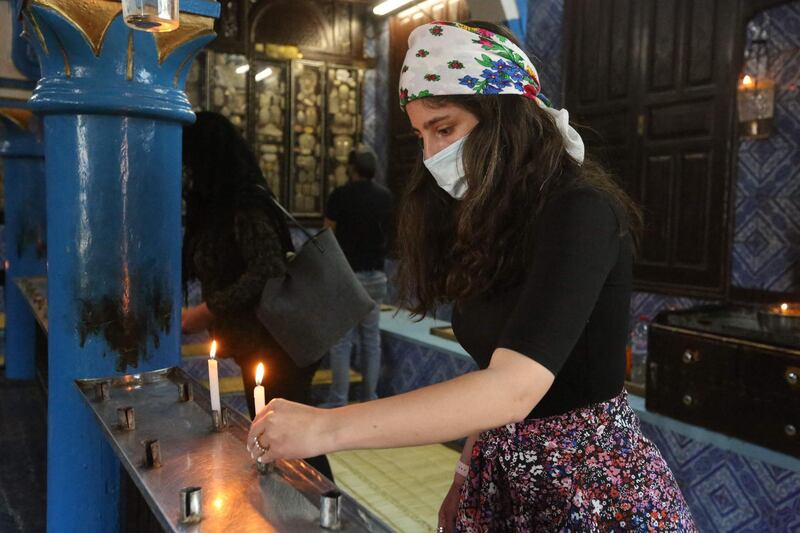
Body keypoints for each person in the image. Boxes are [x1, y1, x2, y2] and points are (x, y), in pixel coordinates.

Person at [247, 21, 696, 532]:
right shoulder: (494, 223)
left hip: (585, 487)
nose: (431, 154)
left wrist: (326, 428)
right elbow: (492, 372)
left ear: (504, 116)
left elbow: (513, 389)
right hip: (501, 472)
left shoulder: (580, 211)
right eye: (421, 134)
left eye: (445, 128)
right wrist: (466, 470)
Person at [181, 111, 333, 481]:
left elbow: (268, 268)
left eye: (188, 158)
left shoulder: (245, 205)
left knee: (291, 435)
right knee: (276, 432)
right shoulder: (220, 207)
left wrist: (207, 310)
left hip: (280, 340)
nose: (183, 169)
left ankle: (325, 510)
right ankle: (295, 505)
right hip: (259, 340)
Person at [322, 145, 393, 407]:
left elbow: (327, 235)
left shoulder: (340, 195)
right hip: (376, 276)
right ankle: (369, 398)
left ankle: (338, 400)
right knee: (371, 341)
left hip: (347, 276)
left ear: (352, 168)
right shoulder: (385, 197)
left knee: (342, 343)